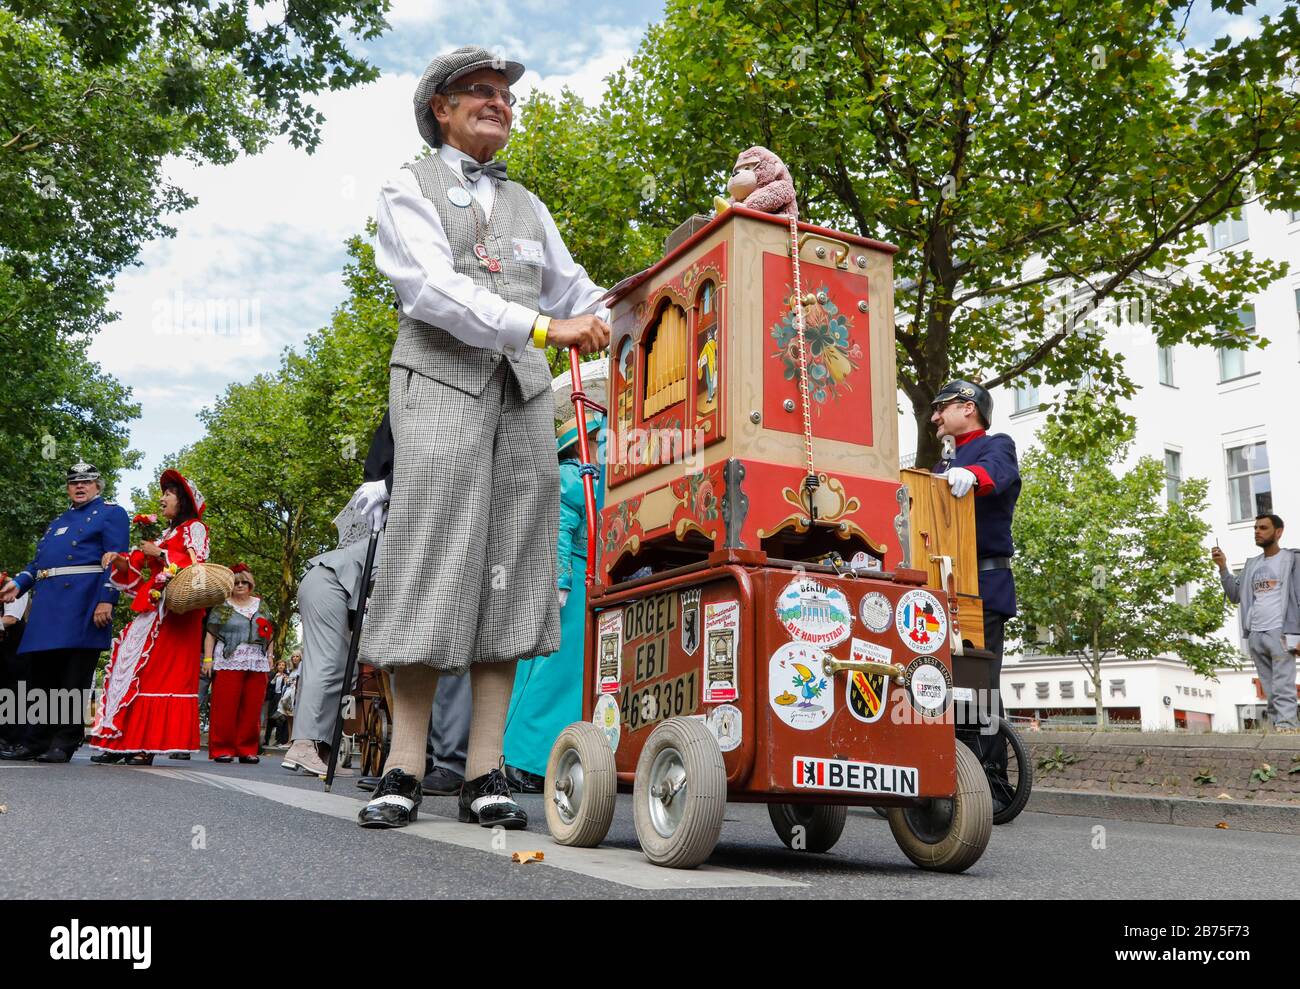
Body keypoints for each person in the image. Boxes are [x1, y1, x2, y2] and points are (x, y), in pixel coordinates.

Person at [355, 44, 610, 830]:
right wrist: (542, 324)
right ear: (441, 105)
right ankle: (402, 767)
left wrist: (670, 289)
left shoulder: (531, 206)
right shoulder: (410, 185)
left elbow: (587, 296)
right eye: (481, 91)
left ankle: (484, 772)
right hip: (439, 389)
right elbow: (431, 290)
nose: (499, 103)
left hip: (522, 401)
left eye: (505, 94)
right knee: (430, 564)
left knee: (512, 575)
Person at [282, 412, 473, 791]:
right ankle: (428, 761)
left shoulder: (418, 410)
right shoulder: (414, 410)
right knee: (433, 643)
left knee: (339, 667)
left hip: (329, 575)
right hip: (371, 568)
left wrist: (386, 485)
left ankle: (311, 744)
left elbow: (382, 469)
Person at [503, 402, 605, 792]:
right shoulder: (571, 478)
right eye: (598, 440)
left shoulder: (591, 477)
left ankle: (546, 755)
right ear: (581, 444)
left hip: (588, 581)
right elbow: (559, 530)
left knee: (572, 674)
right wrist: (559, 581)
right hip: (572, 582)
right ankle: (521, 757)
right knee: (550, 671)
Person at [0, 463, 129, 763]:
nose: (80, 486)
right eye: (74, 483)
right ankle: (35, 740)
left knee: (72, 678)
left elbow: (117, 559)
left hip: (83, 603)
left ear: (98, 486)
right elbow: (38, 564)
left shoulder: (111, 513)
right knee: (42, 678)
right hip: (48, 606)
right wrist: (17, 584)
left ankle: (64, 740)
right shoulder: (58, 520)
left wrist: (106, 599)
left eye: (86, 481)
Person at [929, 380, 1021, 777]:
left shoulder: (996, 444)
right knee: (941, 679)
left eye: (941, 407)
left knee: (978, 681)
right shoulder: (941, 465)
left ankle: (988, 774)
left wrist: (974, 475)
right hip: (941, 586)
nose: (934, 416)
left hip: (983, 585)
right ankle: (943, 767)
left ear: (968, 408)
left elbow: (997, 473)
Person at [88, 470, 208, 765]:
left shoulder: (195, 528)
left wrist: (163, 555)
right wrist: (117, 559)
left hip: (178, 614)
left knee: (157, 676)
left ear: (184, 501)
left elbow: (199, 568)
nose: (161, 498)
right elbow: (133, 574)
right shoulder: (163, 535)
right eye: (163, 493)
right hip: (154, 610)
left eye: (169, 493)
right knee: (130, 672)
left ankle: (145, 745)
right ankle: (121, 741)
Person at [1214, 514, 1300, 732]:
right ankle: (1277, 728)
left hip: (1281, 631)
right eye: (1255, 528)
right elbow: (1235, 595)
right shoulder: (1252, 565)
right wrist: (1223, 567)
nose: (1257, 532)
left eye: (1263, 528)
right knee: (1269, 688)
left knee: (1283, 685)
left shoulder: (1293, 560)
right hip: (1256, 634)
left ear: (1278, 532)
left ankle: (1288, 726)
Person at [204, 563, 276, 762]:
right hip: (229, 660)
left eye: (245, 582)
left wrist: (270, 656)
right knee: (225, 706)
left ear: (251, 584)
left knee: (252, 708)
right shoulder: (222, 606)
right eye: (236, 582)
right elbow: (211, 634)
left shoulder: (261, 605)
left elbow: (269, 633)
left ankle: (247, 749)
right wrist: (208, 659)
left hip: (257, 660)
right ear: (230, 585)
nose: (241, 585)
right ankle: (222, 749)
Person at [0, 585, 30, 748]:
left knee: (13, 692)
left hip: (14, 647)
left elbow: (11, 619)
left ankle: (12, 738)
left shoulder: (15, 585)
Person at [265, 660, 290, 747]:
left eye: (283, 665)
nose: (281, 666)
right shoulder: (272, 674)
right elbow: (269, 686)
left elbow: (288, 687)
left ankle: (278, 740)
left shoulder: (287, 675)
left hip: (281, 698)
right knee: (270, 718)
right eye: (280, 665)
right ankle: (266, 740)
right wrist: (275, 678)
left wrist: (286, 680)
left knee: (280, 718)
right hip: (273, 698)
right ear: (277, 666)